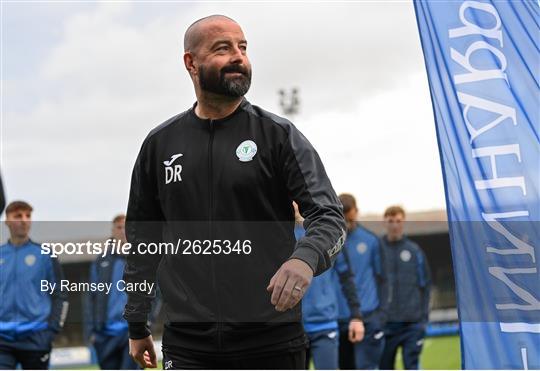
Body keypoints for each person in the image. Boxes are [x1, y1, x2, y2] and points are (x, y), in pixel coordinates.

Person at [123, 14, 346, 370]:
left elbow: (329, 216)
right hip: (188, 345)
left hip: (271, 341)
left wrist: (305, 257)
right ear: (190, 63)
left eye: (242, 47)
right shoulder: (159, 145)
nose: (238, 57)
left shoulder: (278, 135)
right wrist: (137, 324)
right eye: (222, 49)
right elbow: (142, 242)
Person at [293, 202, 364, 370]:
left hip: (324, 324)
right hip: (292, 327)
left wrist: (356, 316)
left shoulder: (327, 233)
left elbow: (347, 279)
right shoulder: (277, 234)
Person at [85, 214, 160, 369]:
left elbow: (156, 294)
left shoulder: (144, 259)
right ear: (112, 231)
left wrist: (148, 321)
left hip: (132, 332)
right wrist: (91, 331)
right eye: (119, 227)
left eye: (126, 226)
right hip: (105, 335)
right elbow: (91, 297)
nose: (122, 230)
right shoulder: (101, 261)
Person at [0, 201, 69, 369]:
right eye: (18, 216)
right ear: (7, 220)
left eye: (28, 216)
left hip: (36, 337)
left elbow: (60, 295)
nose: (24, 220)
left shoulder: (45, 254)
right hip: (3, 339)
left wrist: (51, 331)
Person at [336, 193, 388, 370]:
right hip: (338, 319)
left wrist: (381, 315)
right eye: (344, 220)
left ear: (356, 212)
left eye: (350, 219)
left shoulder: (371, 240)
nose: (347, 224)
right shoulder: (328, 241)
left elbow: (383, 280)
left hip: (368, 317)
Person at [379, 206, 431, 370]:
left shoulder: (414, 251)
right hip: (386, 325)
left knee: (412, 366)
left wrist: (423, 320)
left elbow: (425, 286)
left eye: (398, 221)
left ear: (403, 222)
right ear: (384, 222)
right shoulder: (377, 250)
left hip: (412, 324)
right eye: (391, 221)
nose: (395, 225)